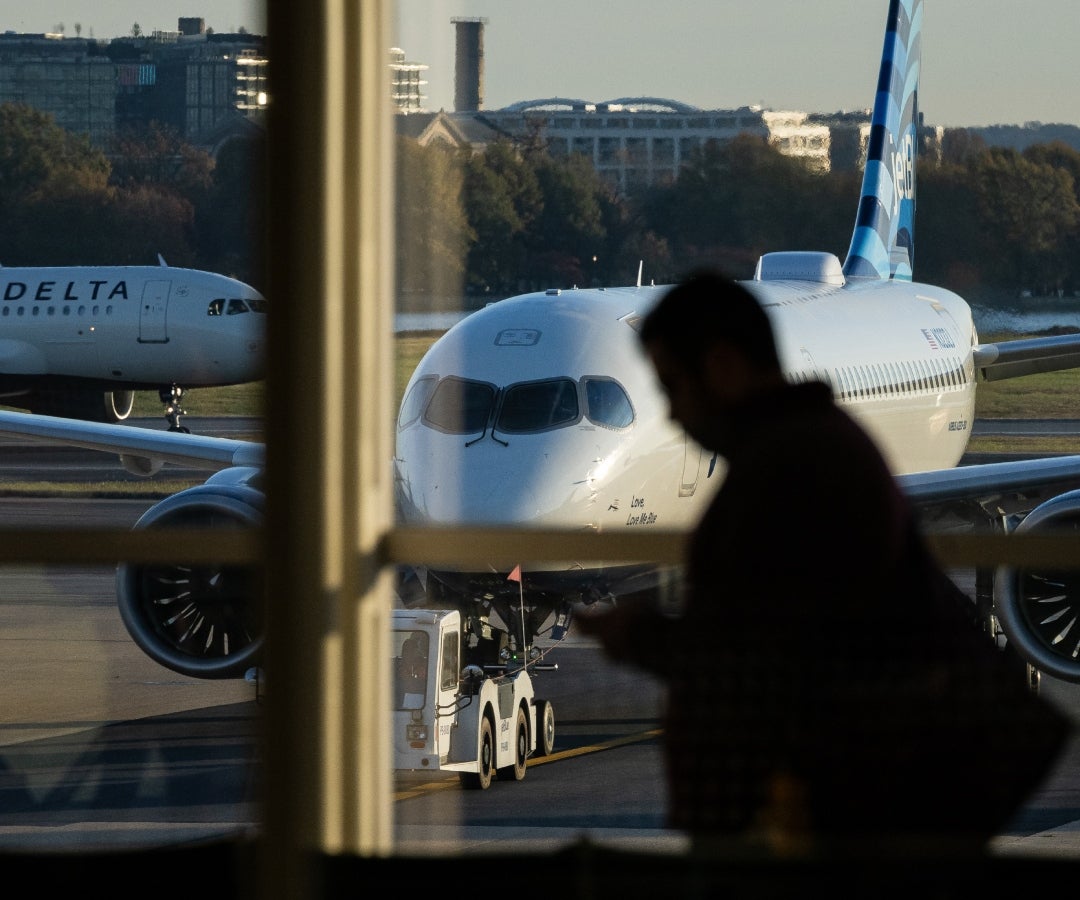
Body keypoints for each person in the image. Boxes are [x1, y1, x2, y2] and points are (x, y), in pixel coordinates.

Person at [576, 269, 1069, 859]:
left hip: (833, 826)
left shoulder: (793, 469)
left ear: (724, 367)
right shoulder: (803, 451)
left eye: (673, 387)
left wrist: (643, 637)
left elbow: (776, 657)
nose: (675, 415)